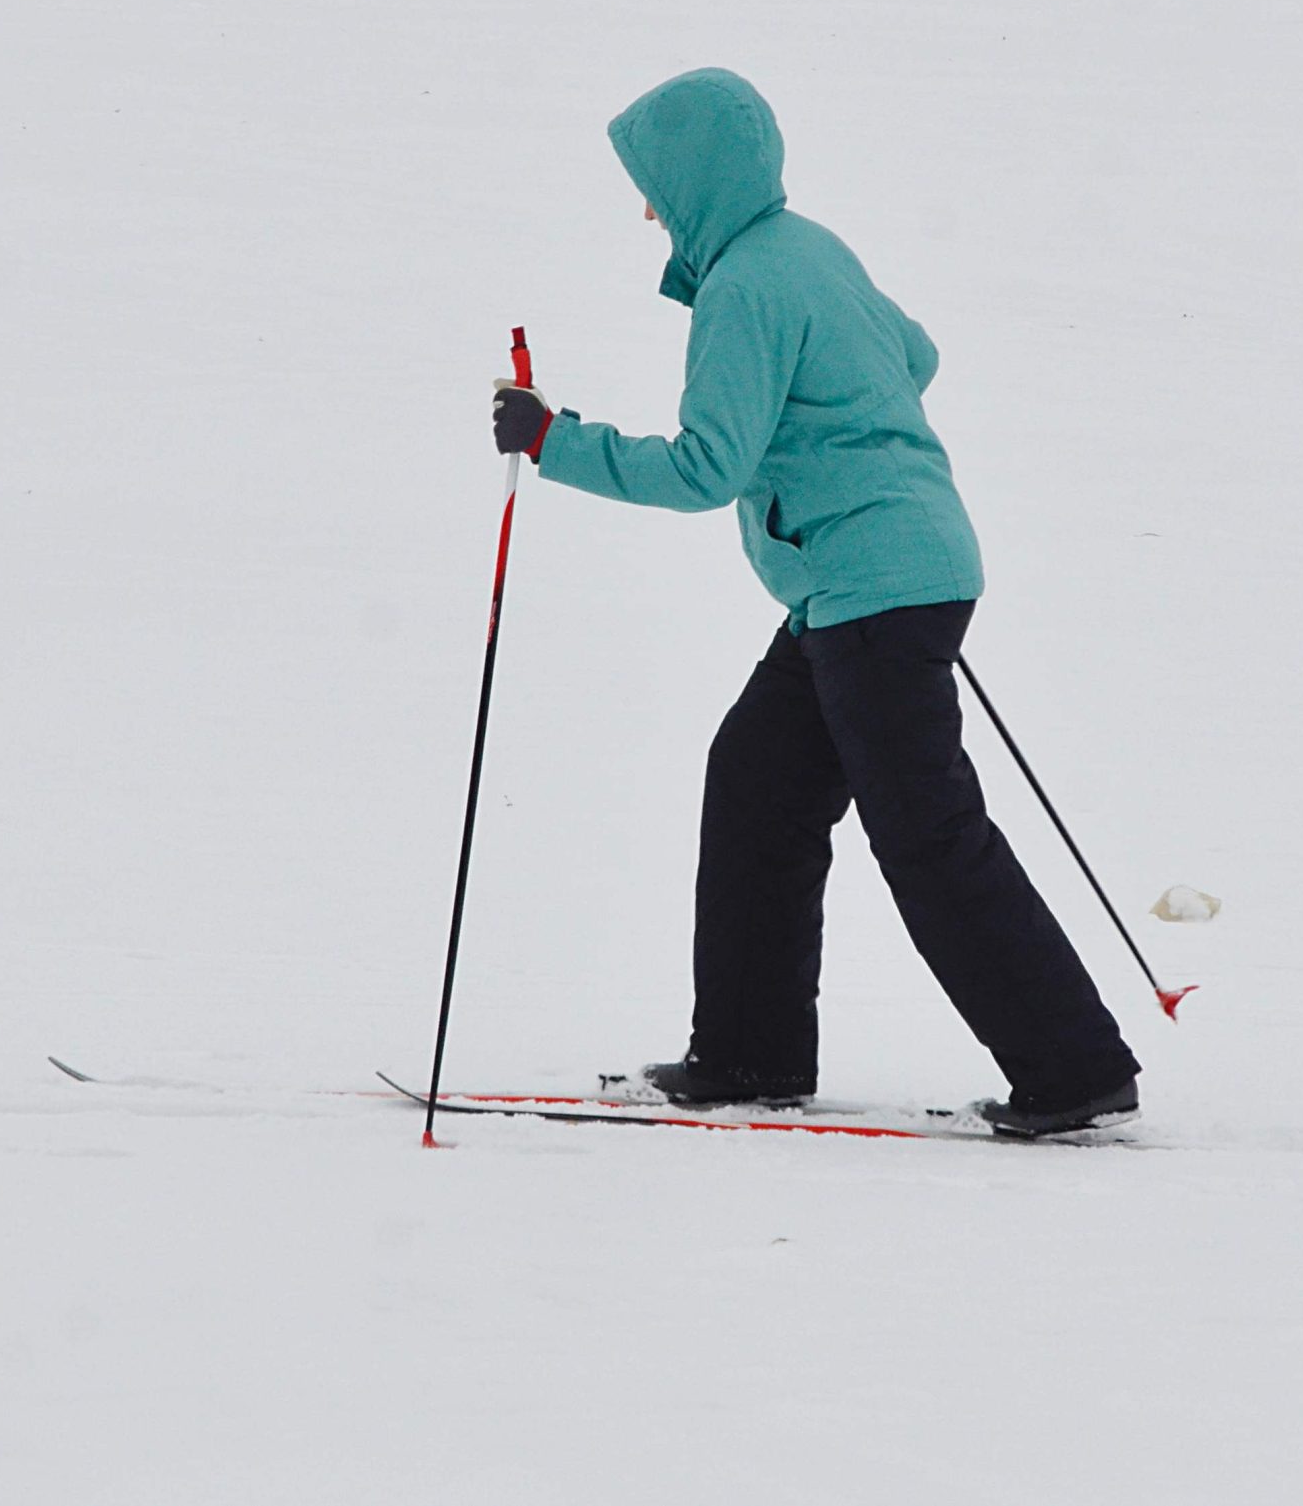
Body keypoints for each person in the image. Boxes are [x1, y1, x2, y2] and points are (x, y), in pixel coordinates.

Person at [488, 68, 1140, 1137]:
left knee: (927, 835)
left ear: (695, 179)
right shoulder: (809, 250)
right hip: (877, 578)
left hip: (872, 587)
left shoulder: (746, 286)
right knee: (755, 783)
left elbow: (705, 469)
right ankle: (749, 1053)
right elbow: (914, 353)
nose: (647, 208)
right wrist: (850, 428)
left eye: (653, 183)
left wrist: (554, 439)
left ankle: (1073, 1068)